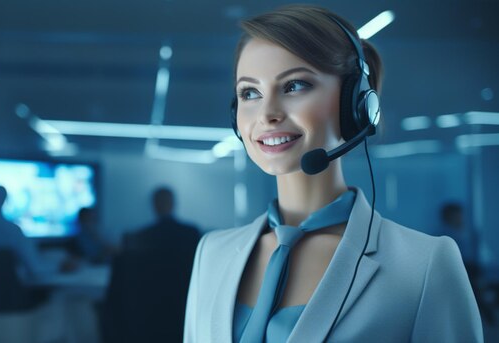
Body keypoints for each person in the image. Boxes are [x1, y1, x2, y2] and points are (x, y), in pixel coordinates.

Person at [184, 5, 482, 342]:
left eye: (295, 85)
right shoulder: (213, 253)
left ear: (355, 105)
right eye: (250, 93)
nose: (266, 114)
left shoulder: (424, 265)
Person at [104, 187, 200, 343]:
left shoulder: (136, 238)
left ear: (153, 205)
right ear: (173, 204)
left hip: (143, 319)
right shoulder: (191, 234)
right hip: (183, 313)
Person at [0, 185, 54, 281]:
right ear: (5, 200)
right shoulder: (13, 231)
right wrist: (57, 266)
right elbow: (34, 268)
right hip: (7, 291)